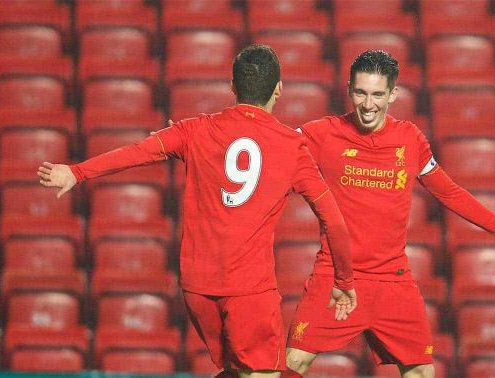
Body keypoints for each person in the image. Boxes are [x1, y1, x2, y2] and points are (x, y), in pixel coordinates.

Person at [37, 45, 357, 378]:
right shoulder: (292, 148)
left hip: (197, 289)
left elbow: (137, 151)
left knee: (235, 369)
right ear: (279, 88)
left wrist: (76, 172)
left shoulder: (195, 130)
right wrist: (344, 279)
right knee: (261, 373)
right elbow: (333, 220)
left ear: (233, 87)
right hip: (249, 290)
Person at [283, 50, 495, 378]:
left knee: (422, 372)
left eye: (378, 94)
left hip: (393, 281)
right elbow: (270, 150)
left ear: (393, 94)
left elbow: (449, 191)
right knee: (293, 363)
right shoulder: (320, 134)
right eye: (361, 93)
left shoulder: (409, 139)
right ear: (349, 90)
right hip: (336, 276)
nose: (368, 105)